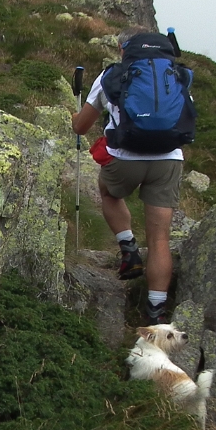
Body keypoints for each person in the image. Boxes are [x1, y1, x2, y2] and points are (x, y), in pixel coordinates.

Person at [70, 31, 184, 324]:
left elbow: (81, 128)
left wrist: (75, 116)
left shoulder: (113, 75)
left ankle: (129, 249)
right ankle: (156, 313)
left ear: (123, 49)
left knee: (109, 192)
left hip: (124, 159)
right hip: (168, 161)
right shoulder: (176, 75)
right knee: (160, 238)